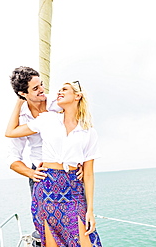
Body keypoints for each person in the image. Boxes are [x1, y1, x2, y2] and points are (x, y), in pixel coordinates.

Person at [6, 80, 102, 246]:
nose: (59, 92)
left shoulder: (88, 131)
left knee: (87, 241)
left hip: (74, 187)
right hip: (47, 186)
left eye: (64, 89)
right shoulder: (47, 119)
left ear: (77, 96)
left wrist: (91, 211)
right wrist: (19, 101)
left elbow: (88, 173)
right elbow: (11, 132)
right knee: (52, 243)